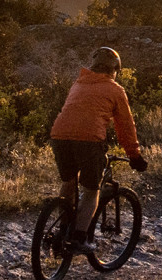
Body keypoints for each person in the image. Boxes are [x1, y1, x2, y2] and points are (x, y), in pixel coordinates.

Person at [50, 46, 148, 255]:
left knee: (68, 182)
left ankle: (62, 230)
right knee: (91, 190)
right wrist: (134, 155)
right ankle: (78, 239)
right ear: (114, 70)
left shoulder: (78, 83)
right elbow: (125, 127)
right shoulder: (115, 90)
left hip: (59, 136)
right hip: (89, 141)